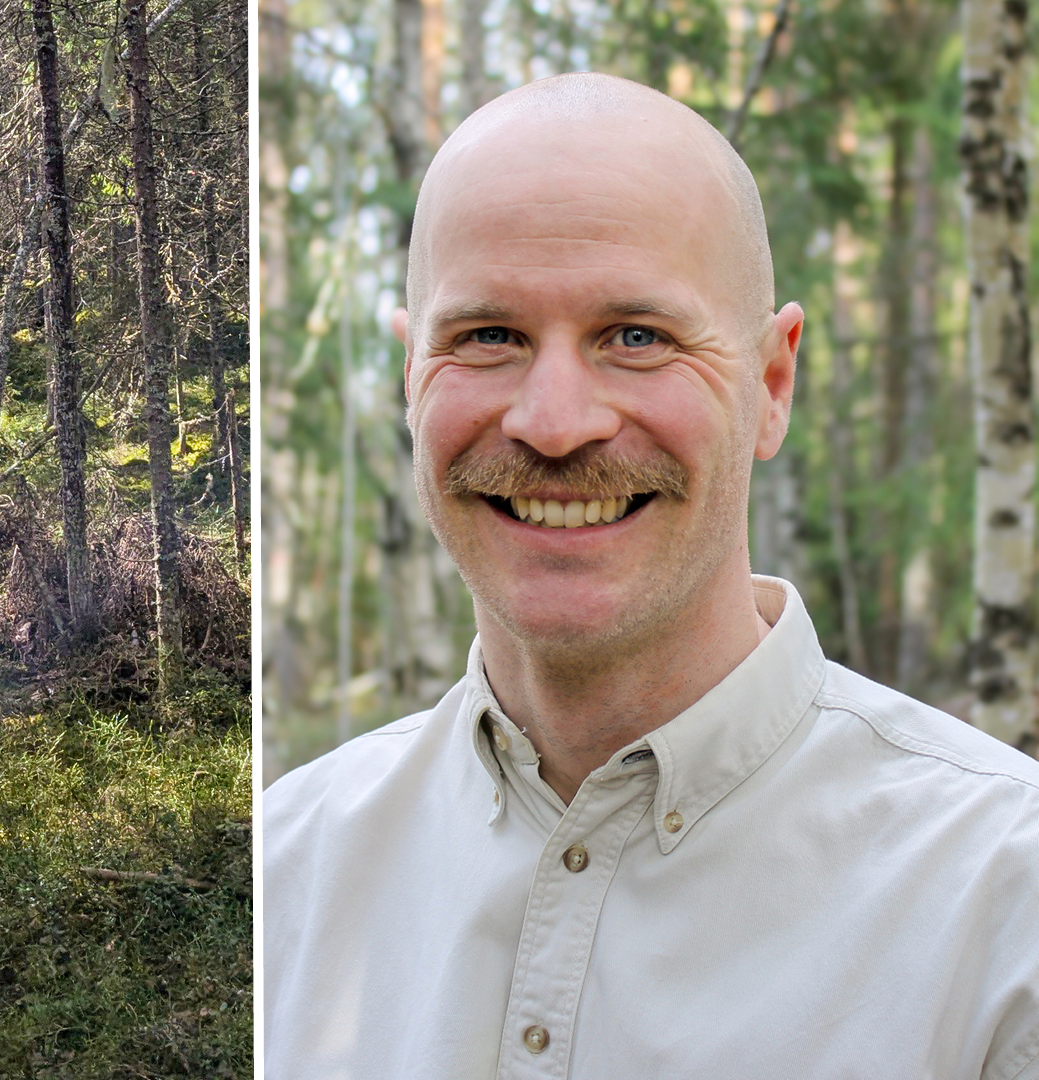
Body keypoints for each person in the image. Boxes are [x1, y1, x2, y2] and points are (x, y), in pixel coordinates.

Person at [263, 73, 1039, 1077]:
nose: (553, 422)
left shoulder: (1002, 900)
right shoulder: (286, 869)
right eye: (489, 337)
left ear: (772, 383)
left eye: (637, 338)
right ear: (411, 378)